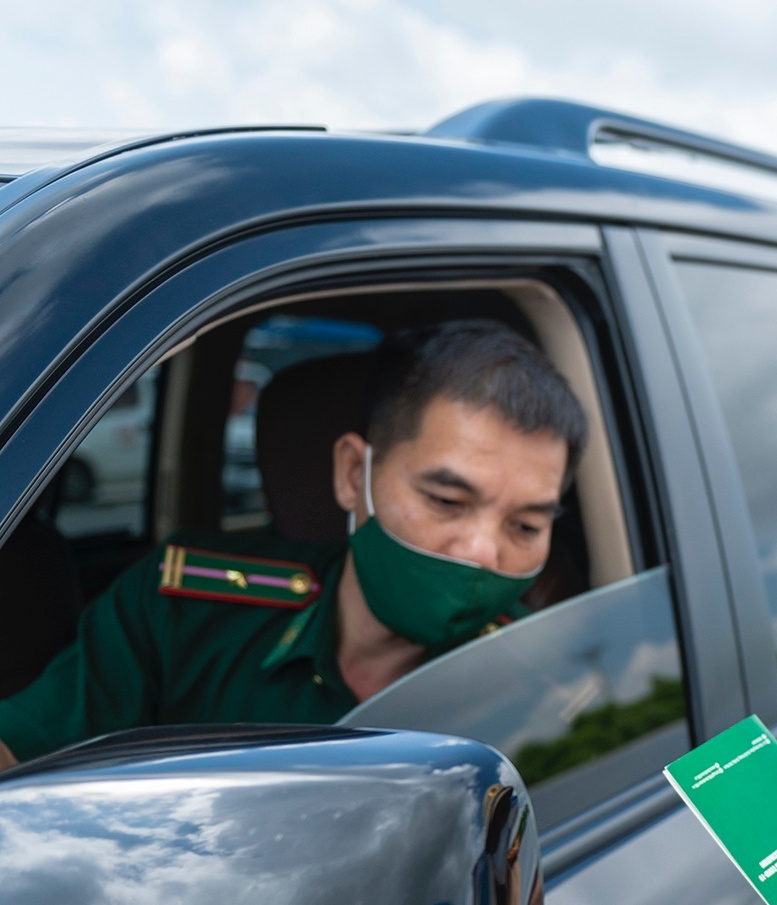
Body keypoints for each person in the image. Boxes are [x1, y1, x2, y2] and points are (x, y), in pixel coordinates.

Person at [0, 319, 584, 769]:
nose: (483, 551)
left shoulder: (554, 681)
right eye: (447, 502)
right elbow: (20, 761)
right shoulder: (183, 606)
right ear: (354, 475)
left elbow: (677, 813)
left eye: (526, 527)